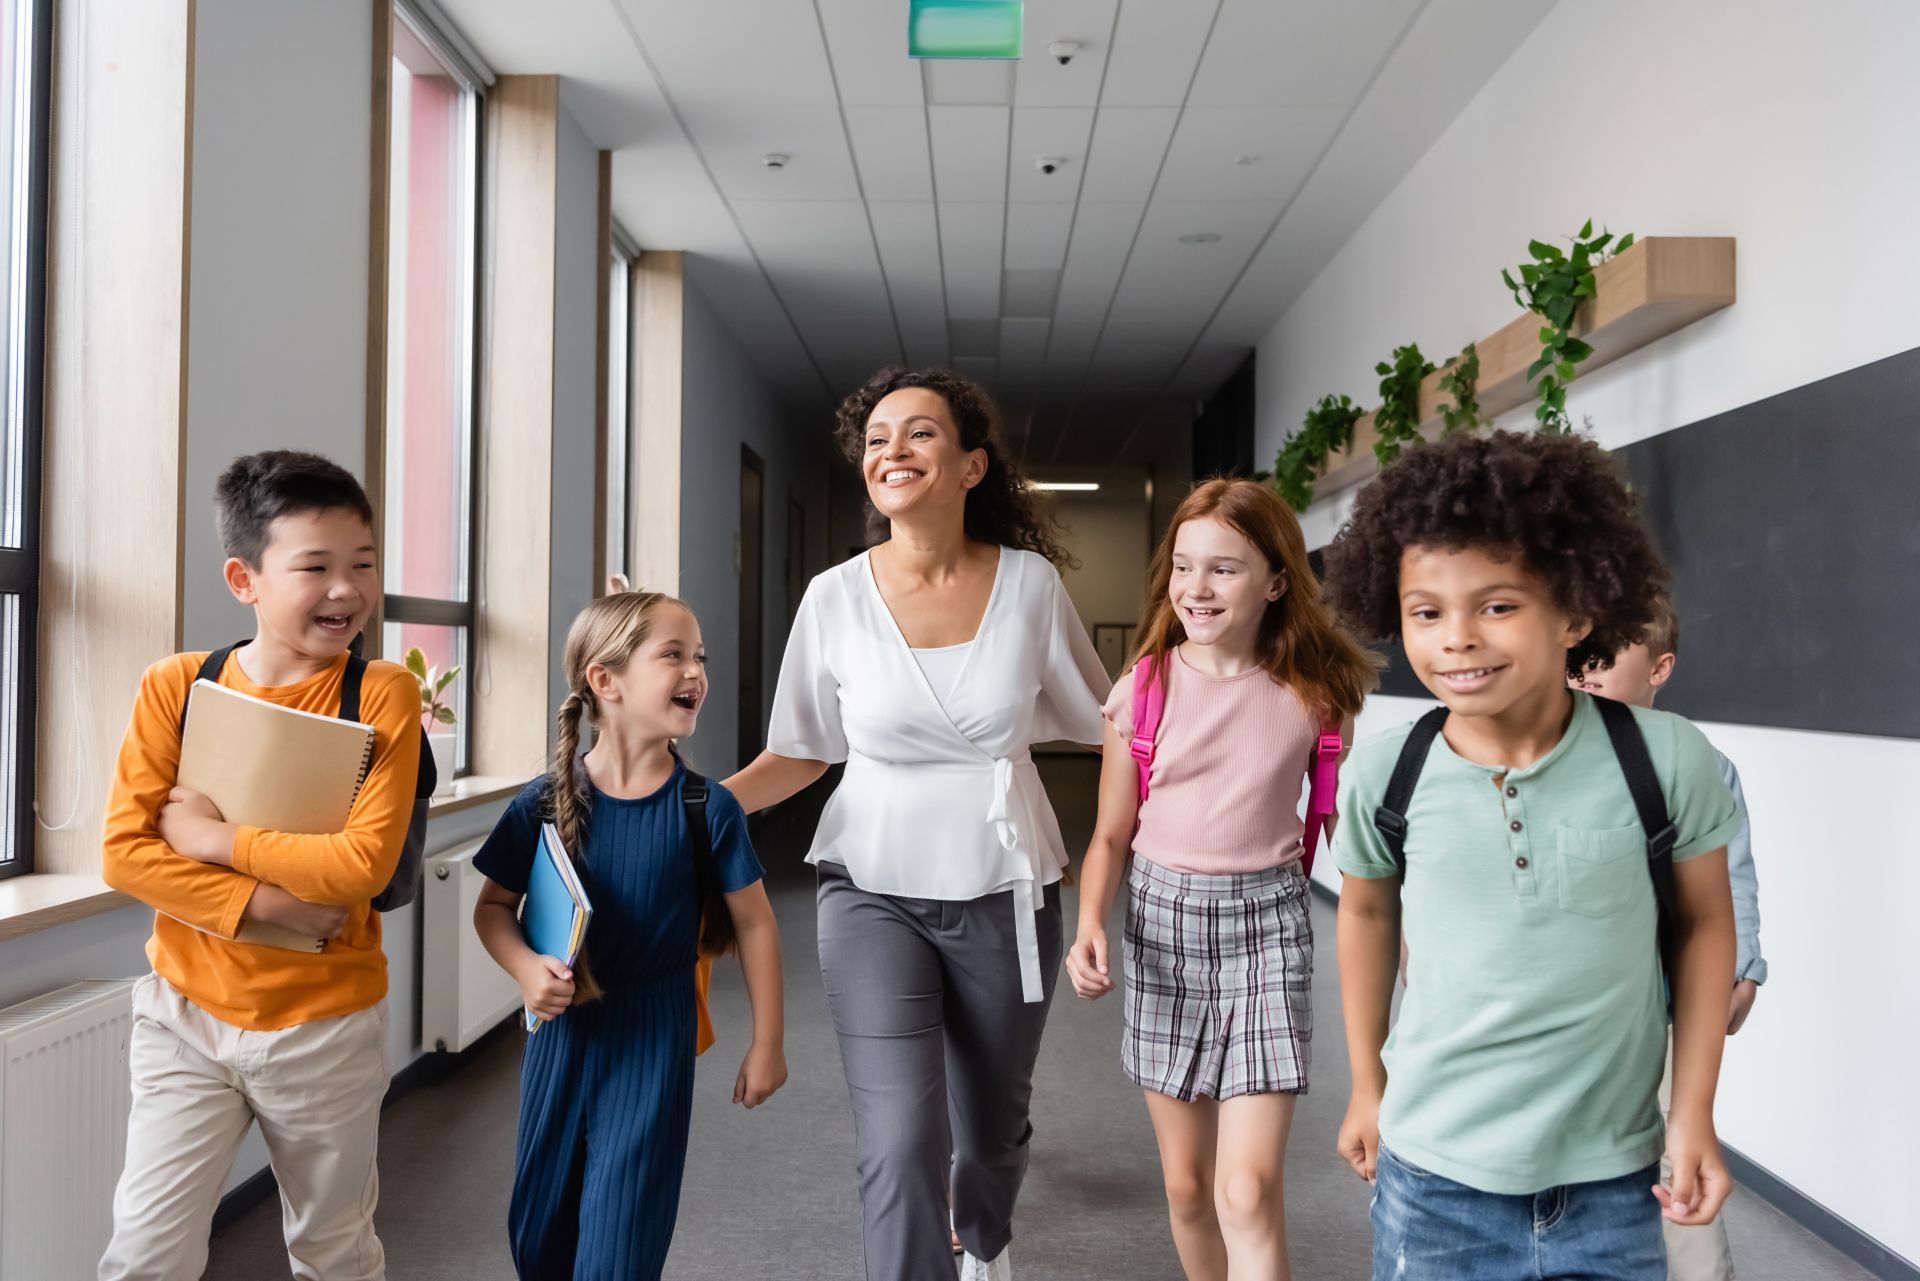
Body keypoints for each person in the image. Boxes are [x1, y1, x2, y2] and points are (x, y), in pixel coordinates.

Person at [1323, 429, 1742, 1281]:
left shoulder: (1664, 760)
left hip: (1614, 1182)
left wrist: (1692, 1114)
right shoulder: (1385, 771)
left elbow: (1703, 926)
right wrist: (1368, 1081)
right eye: (1426, 611)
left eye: (1498, 604)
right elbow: (1367, 912)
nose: (1458, 638)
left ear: (1577, 611)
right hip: (1435, 1180)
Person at [724, 367, 1110, 1281]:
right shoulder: (833, 598)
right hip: (870, 886)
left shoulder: (1029, 586)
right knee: (899, 1139)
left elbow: (1115, 728)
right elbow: (802, 750)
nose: (892, 450)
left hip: (1004, 886)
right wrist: (683, 804)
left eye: (920, 433)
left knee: (991, 1129)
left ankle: (984, 1236)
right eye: (876, 439)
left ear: (973, 465)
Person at [99, 451, 421, 1281]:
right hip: (184, 1016)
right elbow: (126, 855)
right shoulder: (178, 684)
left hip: (326, 1026)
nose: (346, 589)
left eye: (364, 564)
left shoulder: (380, 691)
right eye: (315, 566)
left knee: (333, 1251)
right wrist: (275, 905)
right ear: (245, 578)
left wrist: (212, 840)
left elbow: (359, 864)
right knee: (144, 1253)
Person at [1065, 478, 1377, 1280]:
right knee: (1189, 1187)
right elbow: (1109, 834)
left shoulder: (1316, 696)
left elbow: (1353, 839)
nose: (1196, 588)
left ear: (1276, 580)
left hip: (1269, 927)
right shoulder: (1143, 688)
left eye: (1224, 569)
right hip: (1163, 929)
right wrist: (1090, 922)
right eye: (1184, 566)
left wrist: (1408, 927)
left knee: (1246, 1188)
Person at [472, 591, 785, 1281]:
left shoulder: (709, 807)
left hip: (653, 1032)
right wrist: (525, 967)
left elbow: (757, 923)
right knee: (539, 1233)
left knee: (622, 1239)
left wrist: (767, 1043)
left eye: (699, 655)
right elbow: (492, 907)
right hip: (560, 1034)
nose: (696, 670)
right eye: (673, 654)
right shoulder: (543, 801)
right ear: (605, 681)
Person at [1573, 592, 1766, 1280]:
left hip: (1664, 1011)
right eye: (1578, 646)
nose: (1585, 665)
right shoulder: (1547, 755)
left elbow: (1731, 878)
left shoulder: (1699, 764)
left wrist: (1741, 970)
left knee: (1670, 1164)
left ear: (1660, 667)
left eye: (1609, 649)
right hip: (1570, 1009)